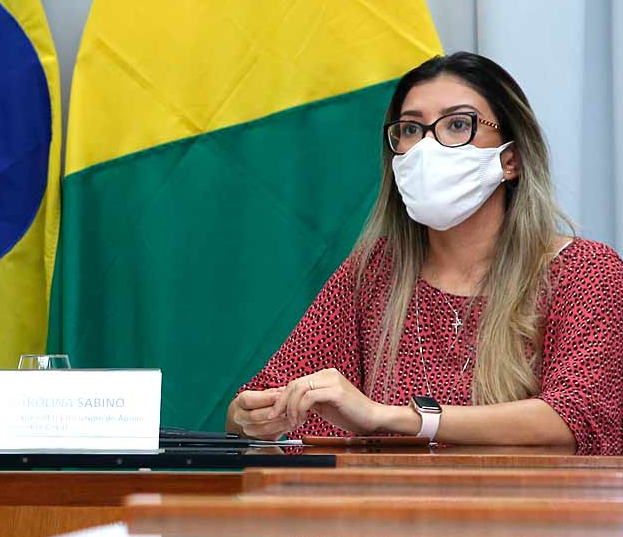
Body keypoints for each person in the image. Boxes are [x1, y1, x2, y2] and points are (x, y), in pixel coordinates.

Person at [227, 52, 623, 455]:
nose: (427, 147)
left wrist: (389, 416)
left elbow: (578, 417)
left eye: (456, 125)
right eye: (412, 129)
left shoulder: (584, 271)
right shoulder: (374, 274)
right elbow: (262, 404)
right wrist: (252, 418)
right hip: (394, 515)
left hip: (531, 514)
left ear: (511, 160)